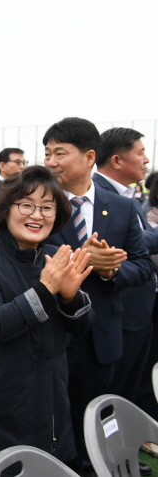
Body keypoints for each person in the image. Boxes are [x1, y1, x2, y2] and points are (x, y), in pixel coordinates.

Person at [0, 166, 94, 476]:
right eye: (27, 204)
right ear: (6, 210)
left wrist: (70, 297)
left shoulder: (58, 255)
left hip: (51, 397)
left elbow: (83, 327)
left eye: (48, 207)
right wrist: (45, 289)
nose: (38, 214)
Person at [43, 117, 152, 474]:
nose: (51, 162)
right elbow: (27, 256)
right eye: (47, 153)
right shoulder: (37, 202)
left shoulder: (120, 207)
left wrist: (112, 270)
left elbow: (142, 266)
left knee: (93, 413)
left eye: (60, 153)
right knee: (51, 416)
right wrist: (82, 258)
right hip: (51, 330)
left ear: (89, 156)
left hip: (101, 334)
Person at [93, 127, 158, 426]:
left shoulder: (127, 196)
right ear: (117, 160)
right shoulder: (97, 195)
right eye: (140, 152)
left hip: (138, 310)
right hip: (117, 311)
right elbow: (123, 246)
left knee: (128, 389)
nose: (147, 160)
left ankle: (122, 449)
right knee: (107, 393)